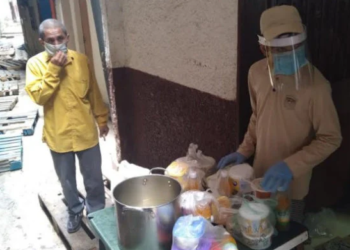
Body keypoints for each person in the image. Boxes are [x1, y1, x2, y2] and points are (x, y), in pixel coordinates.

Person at [218, 6, 342, 223]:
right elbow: (258, 115)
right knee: (255, 232)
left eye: (295, 44)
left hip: (291, 187)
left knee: (287, 237)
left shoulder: (317, 86)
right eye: (282, 48)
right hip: (257, 179)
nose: (291, 53)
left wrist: (290, 166)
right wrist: (244, 150)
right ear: (263, 48)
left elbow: (331, 138)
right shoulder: (256, 73)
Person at [25, 19, 109, 233]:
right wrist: (53, 69)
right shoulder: (35, 65)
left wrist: (101, 119)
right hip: (58, 134)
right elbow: (39, 98)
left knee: (93, 177)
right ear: (42, 41)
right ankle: (74, 210)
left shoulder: (81, 60)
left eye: (60, 38)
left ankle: (96, 212)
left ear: (67, 38)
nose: (56, 43)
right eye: (50, 40)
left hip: (84, 130)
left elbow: (94, 93)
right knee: (67, 180)